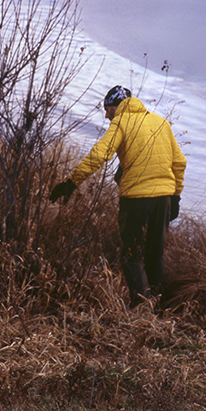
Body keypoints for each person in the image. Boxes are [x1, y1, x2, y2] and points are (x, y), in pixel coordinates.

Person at [50, 85, 187, 307]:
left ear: (117, 107)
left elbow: (98, 155)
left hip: (136, 200)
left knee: (131, 254)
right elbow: (179, 162)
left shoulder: (121, 122)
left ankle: (142, 308)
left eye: (107, 109)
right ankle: (160, 309)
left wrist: (71, 182)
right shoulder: (161, 122)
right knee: (155, 255)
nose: (106, 114)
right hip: (164, 198)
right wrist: (175, 197)